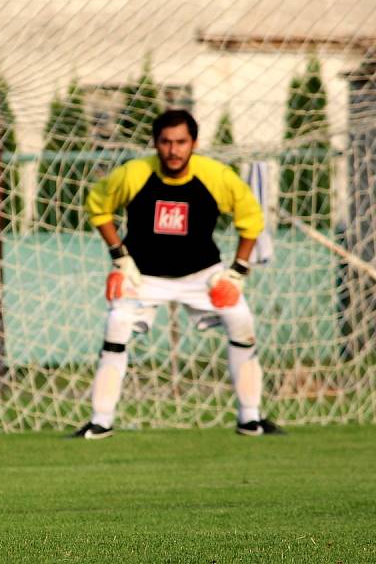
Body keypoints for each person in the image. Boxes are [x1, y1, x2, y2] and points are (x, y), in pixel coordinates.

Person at [73, 109, 284, 439]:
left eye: (181, 142)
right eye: (166, 142)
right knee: (116, 324)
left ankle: (250, 418)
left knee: (241, 318)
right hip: (143, 275)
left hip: (202, 275)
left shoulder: (217, 176)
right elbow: (98, 206)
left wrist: (238, 271)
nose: (174, 150)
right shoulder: (133, 173)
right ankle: (101, 421)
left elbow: (251, 219)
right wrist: (119, 257)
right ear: (156, 143)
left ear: (194, 143)